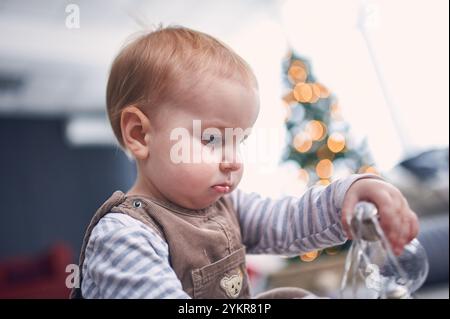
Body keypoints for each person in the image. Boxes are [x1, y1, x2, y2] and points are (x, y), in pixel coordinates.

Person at [72, 26, 418, 299]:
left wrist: (347, 195)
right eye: (212, 139)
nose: (233, 161)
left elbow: (289, 221)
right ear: (139, 134)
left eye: (239, 141)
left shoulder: (227, 206)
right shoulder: (124, 236)